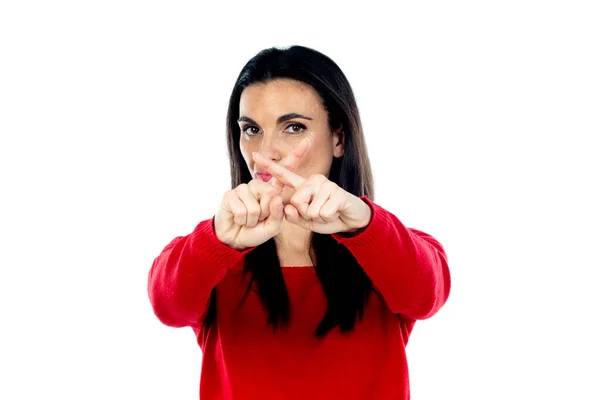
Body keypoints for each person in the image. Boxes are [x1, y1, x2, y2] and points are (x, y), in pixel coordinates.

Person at [147, 45, 451, 400]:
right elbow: (167, 305)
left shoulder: (386, 244)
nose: (266, 152)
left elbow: (428, 294)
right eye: (251, 129)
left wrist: (364, 224)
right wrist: (217, 242)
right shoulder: (218, 248)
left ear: (338, 138)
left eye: (293, 127)